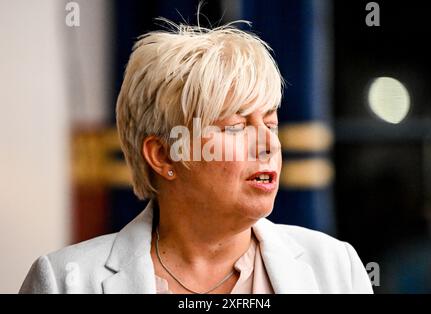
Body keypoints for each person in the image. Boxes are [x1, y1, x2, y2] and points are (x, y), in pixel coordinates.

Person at [19, 19, 373, 294]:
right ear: (163, 156)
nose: (268, 144)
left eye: (271, 123)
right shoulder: (66, 281)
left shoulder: (336, 268)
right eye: (236, 127)